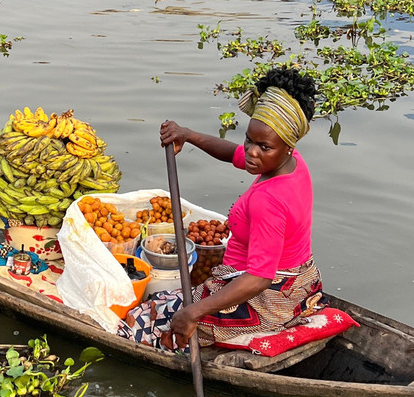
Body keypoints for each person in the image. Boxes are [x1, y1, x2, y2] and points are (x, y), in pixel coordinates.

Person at [118, 66, 323, 352]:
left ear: (287, 146)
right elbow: (234, 153)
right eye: (249, 140)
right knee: (162, 301)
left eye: (263, 147)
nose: (251, 151)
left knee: (140, 321)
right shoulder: (291, 162)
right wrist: (188, 135)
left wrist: (192, 313)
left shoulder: (268, 201)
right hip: (300, 284)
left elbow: (259, 277)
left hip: (266, 299)